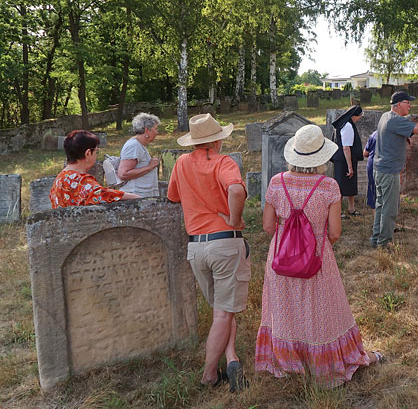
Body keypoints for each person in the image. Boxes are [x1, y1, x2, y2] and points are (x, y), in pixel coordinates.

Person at [257, 124, 382, 386]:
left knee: (285, 310)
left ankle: (291, 363)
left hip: (280, 259)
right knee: (321, 312)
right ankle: (322, 364)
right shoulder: (328, 187)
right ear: (321, 156)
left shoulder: (276, 182)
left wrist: (289, 245)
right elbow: (334, 233)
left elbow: (268, 226)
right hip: (317, 258)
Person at [167, 114, 250, 391]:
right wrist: (233, 219)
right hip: (224, 242)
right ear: (216, 140)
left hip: (196, 247)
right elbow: (236, 190)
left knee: (221, 310)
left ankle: (231, 357)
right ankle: (209, 374)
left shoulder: (181, 163)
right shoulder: (223, 162)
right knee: (223, 314)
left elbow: (173, 196)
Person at [371, 91, 418, 248]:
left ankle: (376, 238)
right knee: (390, 209)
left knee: (381, 205)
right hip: (389, 171)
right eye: (408, 102)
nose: (410, 105)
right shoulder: (396, 121)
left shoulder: (386, 116)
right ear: (398, 105)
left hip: (379, 168)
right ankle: (384, 243)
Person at [50, 130, 141, 208]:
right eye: (96, 152)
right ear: (88, 153)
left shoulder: (60, 178)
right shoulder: (80, 180)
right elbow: (102, 194)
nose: (96, 155)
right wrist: (138, 199)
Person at [118, 113, 161, 197]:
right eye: (155, 129)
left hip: (141, 195)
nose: (157, 132)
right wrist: (149, 167)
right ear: (147, 130)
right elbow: (123, 174)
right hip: (136, 195)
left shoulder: (139, 145)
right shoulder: (134, 146)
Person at [331, 106, 364, 218]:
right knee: (340, 186)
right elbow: (346, 147)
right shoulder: (348, 126)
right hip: (344, 160)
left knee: (350, 185)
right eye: (359, 116)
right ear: (354, 116)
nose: (359, 118)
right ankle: (338, 211)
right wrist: (350, 167)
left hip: (344, 159)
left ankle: (351, 208)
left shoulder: (343, 124)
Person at [363, 130, 378, 209]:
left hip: (372, 166)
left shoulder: (374, 134)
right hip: (386, 167)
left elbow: (365, 153)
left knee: (374, 193)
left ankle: (376, 219)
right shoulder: (393, 133)